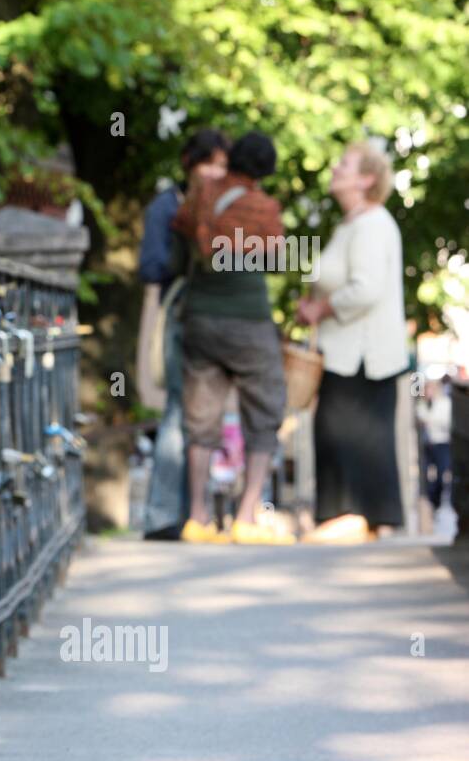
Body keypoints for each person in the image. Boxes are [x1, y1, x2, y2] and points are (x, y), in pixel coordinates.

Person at [171, 131, 293, 545]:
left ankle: (198, 518)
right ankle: (246, 516)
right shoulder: (263, 206)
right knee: (264, 412)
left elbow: (182, 229)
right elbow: (277, 258)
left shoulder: (202, 193)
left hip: (201, 317)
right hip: (248, 321)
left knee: (201, 418)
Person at [297, 142, 406, 543]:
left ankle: (353, 516)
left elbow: (366, 289)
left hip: (363, 352)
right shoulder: (350, 225)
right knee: (337, 428)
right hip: (345, 349)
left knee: (345, 429)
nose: (335, 168)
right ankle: (353, 516)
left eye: (345, 164)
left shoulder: (372, 224)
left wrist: (320, 309)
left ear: (366, 179)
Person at [136, 128, 230, 540]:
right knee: (179, 408)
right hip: (184, 315)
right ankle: (164, 515)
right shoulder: (167, 206)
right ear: (191, 163)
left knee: (200, 414)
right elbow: (151, 266)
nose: (215, 172)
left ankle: (188, 514)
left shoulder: (222, 207)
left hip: (212, 315)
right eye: (209, 163)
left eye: (222, 166)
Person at [418, 376, 452, 513]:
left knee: (441, 473)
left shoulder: (445, 403)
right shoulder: (421, 404)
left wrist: (430, 420)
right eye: (426, 390)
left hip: (442, 443)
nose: (428, 392)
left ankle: (437, 499)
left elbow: (447, 423)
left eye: (430, 389)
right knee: (426, 474)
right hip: (427, 444)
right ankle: (431, 500)